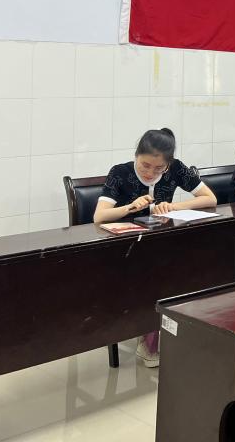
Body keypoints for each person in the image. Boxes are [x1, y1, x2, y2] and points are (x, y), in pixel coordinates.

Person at [93, 128, 218, 367]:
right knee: (158, 275)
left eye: (158, 168)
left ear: (168, 165)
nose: (150, 173)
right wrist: (130, 207)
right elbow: (99, 217)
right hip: (126, 249)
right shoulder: (120, 173)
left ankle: (180, 335)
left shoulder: (176, 169)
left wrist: (172, 207)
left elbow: (209, 198)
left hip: (161, 244)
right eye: (145, 166)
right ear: (136, 156)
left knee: (197, 268)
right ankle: (150, 341)